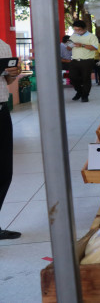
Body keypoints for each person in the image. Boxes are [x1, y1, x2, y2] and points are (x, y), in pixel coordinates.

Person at [0, 38, 21, 239]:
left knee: (4, 171)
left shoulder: (2, 45)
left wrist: (12, 75)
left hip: (1, 110)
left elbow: (7, 80)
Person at [69, 20, 100, 102]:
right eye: (75, 29)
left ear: (84, 28)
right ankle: (79, 92)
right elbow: (69, 47)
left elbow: (95, 47)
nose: (76, 31)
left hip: (87, 60)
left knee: (86, 78)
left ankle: (85, 95)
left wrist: (82, 45)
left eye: (78, 29)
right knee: (72, 78)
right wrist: (69, 45)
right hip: (75, 60)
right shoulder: (73, 36)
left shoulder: (91, 36)